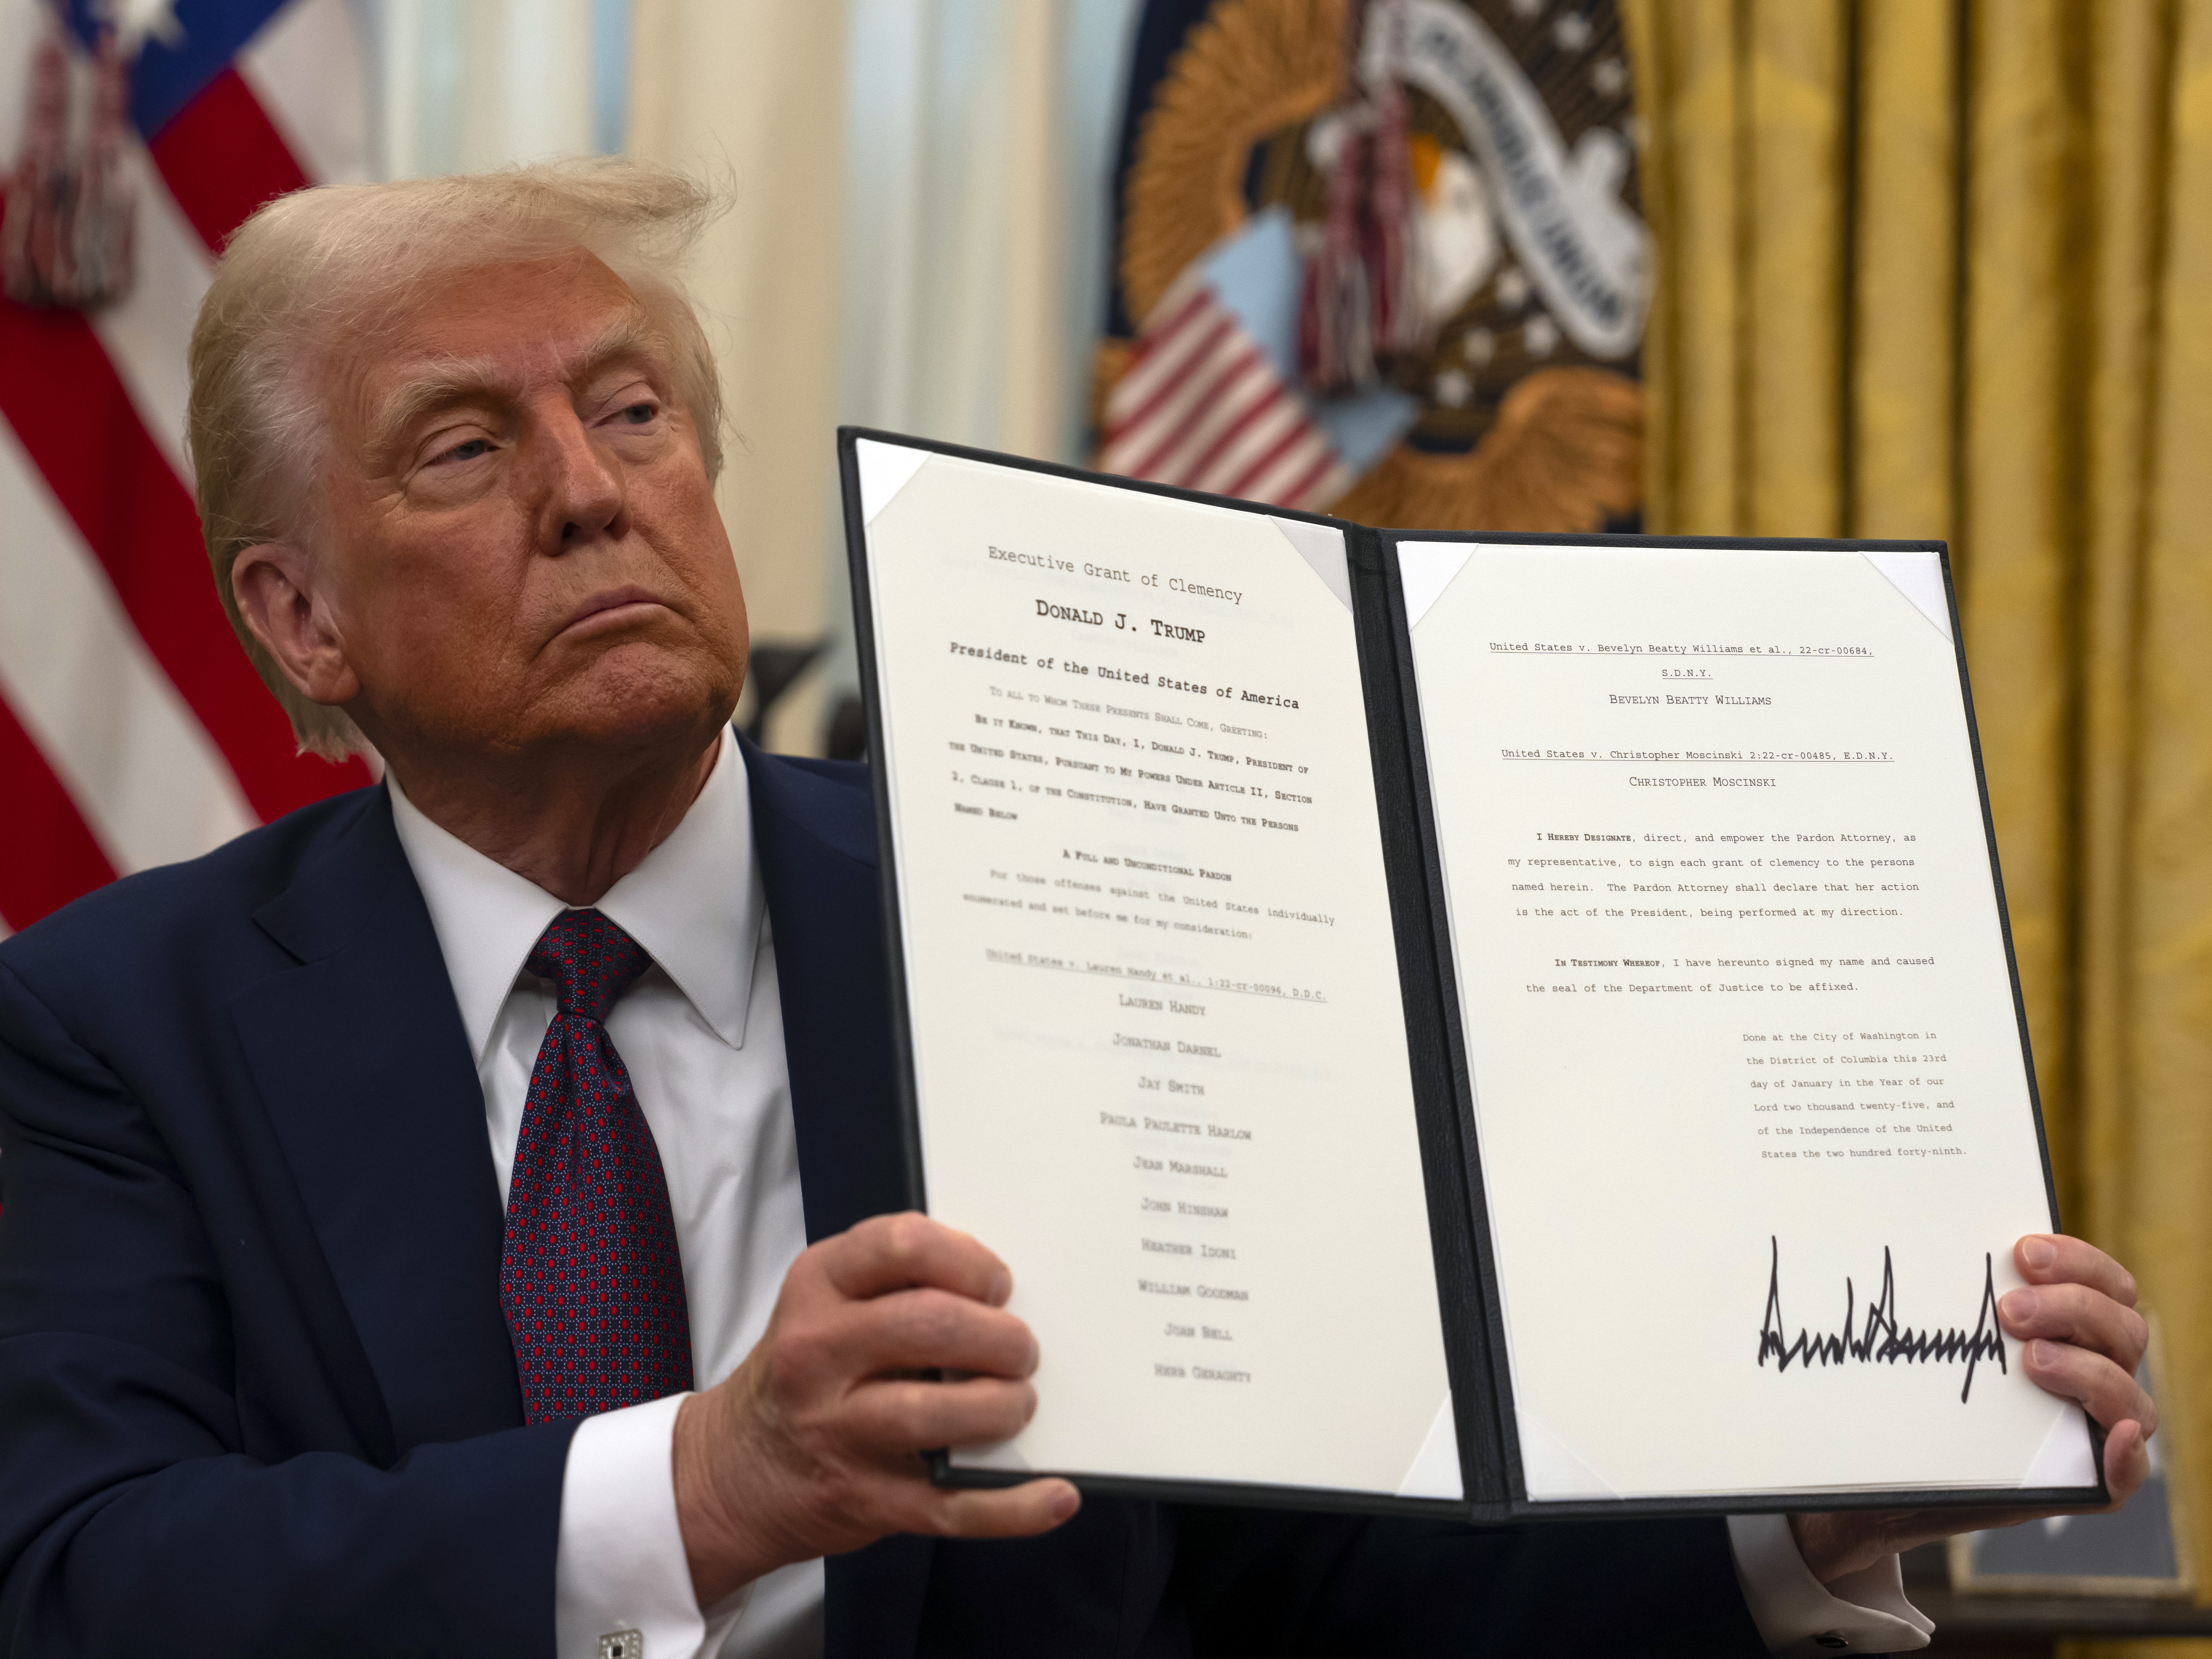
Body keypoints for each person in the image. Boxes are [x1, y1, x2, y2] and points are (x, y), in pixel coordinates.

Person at [0, 161, 2156, 1659]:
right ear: (298, 619)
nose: (592, 488)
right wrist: (706, 1487)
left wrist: (1810, 1508)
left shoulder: (1088, 916)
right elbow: (82, 1584)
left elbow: (1321, 1603)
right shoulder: (109, 1025)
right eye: (466, 449)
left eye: (635, 412)